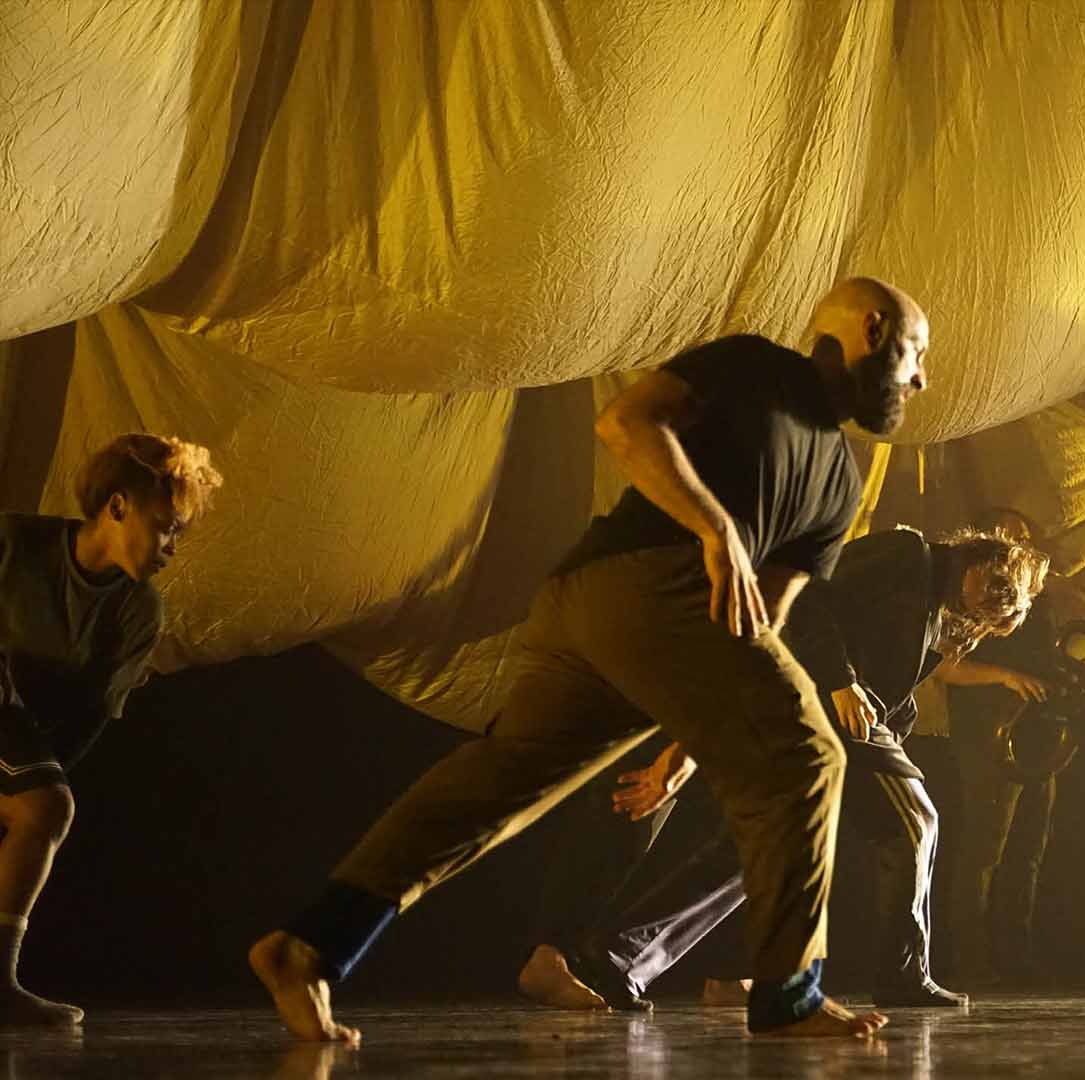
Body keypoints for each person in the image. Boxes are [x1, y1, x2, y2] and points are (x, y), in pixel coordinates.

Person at [249, 277, 928, 1043]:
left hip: (611, 615)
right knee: (811, 756)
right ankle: (790, 995)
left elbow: (759, 621)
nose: (921, 379)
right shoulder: (755, 366)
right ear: (872, 330)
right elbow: (627, 420)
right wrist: (714, 527)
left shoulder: (838, 484)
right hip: (646, 581)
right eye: (916, 354)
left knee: (497, 786)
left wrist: (686, 746)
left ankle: (311, 945)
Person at [518, 525, 1048, 1011]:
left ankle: (619, 963)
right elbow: (812, 596)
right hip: (812, 707)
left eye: (998, 608)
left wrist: (895, 720)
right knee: (915, 821)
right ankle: (901, 974)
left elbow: (896, 684)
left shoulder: (937, 611)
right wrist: (842, 680)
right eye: (994, 589)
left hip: (829, 724)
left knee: (763, 849)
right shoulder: (908, 553)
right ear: (981, 557)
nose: (989, 605)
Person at [0, 434, 222, 1025]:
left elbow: (87, 714)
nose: (172, 546)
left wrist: (33, 799)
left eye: (179, 533)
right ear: (117, 506)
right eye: (165, 526)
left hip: (17, 735)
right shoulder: (15, 544)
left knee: (45, 810)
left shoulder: (137, 611)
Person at [936, 508, 1063, 985]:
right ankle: (971, 959)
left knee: (1028, 848)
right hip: (986, 736)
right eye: (1010, 540)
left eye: (1025, 540)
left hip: (1036, 736)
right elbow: (946, 668)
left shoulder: (1038, 605)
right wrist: (1006, 677)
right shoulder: (965, 599)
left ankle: (1017, 956)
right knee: (985, 848)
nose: (1019, 549)